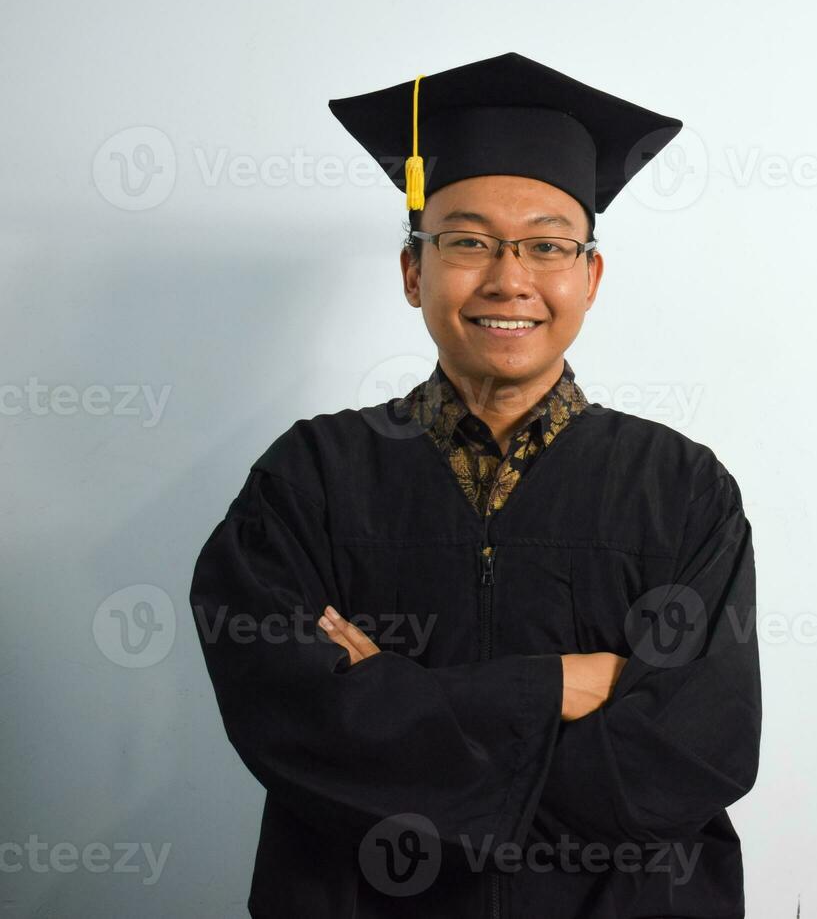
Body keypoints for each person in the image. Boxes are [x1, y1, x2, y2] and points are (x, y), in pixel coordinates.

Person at [188, 51, 761, 918]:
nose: (509, 278)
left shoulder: (682, 489)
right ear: (414, 269)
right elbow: (294, 726)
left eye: (545, 245)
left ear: (590, 277)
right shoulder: (308, 481)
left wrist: (401, 702)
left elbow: (696, 751)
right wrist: (554, 689)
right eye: (467, 241)